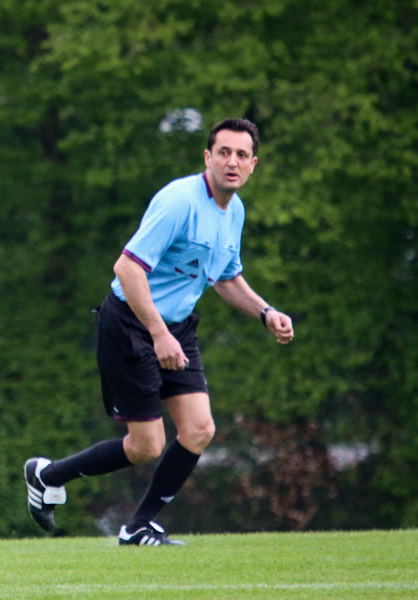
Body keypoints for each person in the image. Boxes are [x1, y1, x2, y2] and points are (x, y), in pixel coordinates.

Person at [24, 118, 294, 545]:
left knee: (200, 429)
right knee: (146, 446)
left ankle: (138, 527)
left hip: (176, 327)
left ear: (253, 164)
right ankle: (48, 476)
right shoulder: (179, 201)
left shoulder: (235, 211)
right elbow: (126, 268)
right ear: (207, 157)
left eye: (242, 155)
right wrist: (158, 334)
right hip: (131, 324)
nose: (232, 162)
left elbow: (226, 277)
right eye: (223, 152)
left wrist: (266, 312)